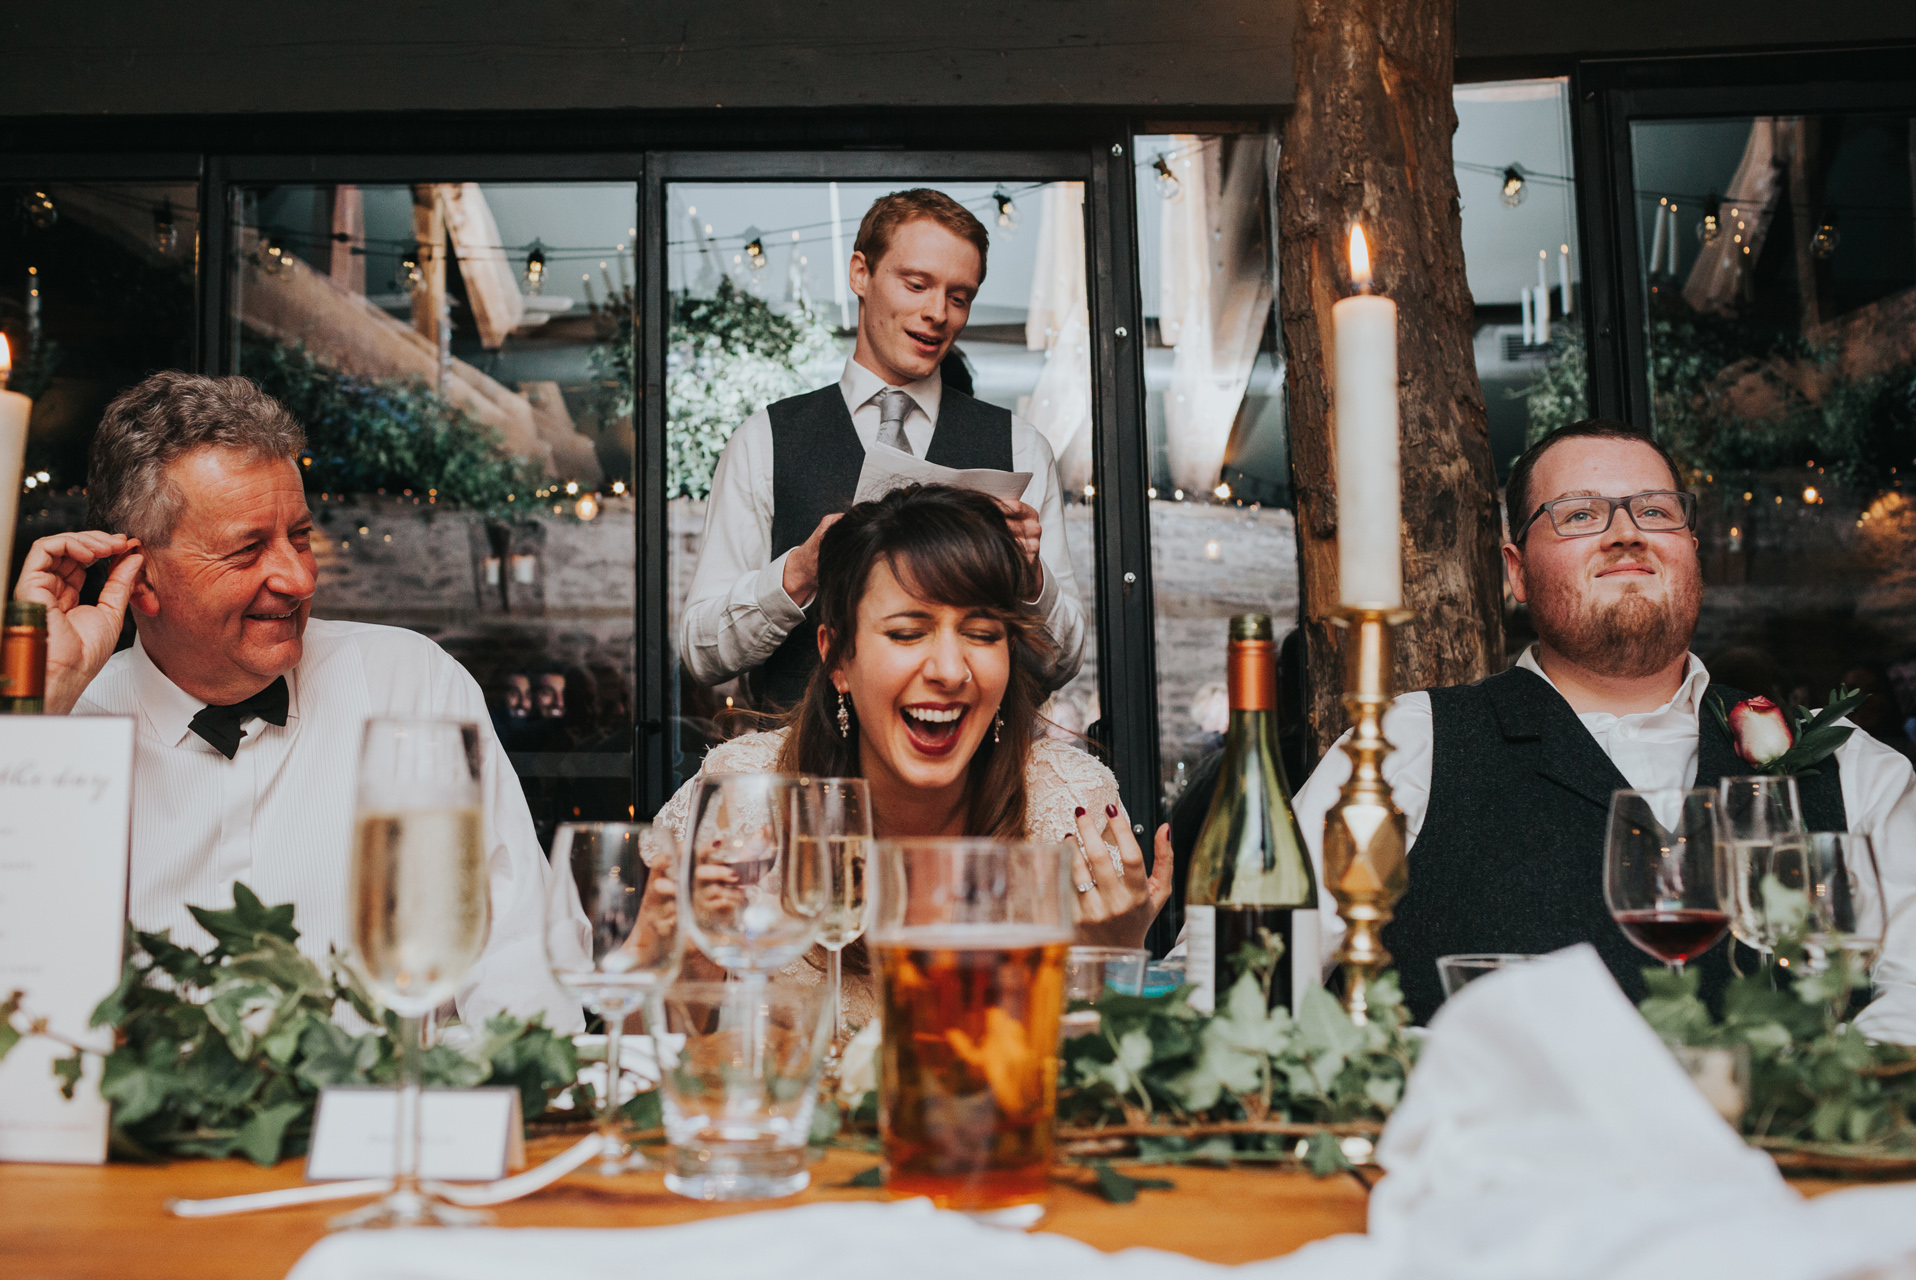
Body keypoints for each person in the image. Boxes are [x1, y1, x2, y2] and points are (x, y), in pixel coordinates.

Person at [1292, 419, 1916, 1035]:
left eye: (1654, 511)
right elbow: (1244, 978)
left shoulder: (1852, 765)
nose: (1626, 534)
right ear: (1516, 571)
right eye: (1580, 514)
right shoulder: (1407, 749)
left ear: (1692, 552)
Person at [14, 371, 584, 1031]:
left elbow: (524, 961)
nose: (298, 577)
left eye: (301, 536)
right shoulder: (59, 731)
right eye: (248, 549)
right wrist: (38, 711)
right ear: (137, 577)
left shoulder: (410, 687)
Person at [656, 483, 1171, 1023]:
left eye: (981, 633)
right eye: (906, 633)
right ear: (837, 658)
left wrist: (1114, 957)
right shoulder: (743, 795)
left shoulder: (1070, 803)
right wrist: (683, 960)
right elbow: (643, 1060)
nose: (950, 671)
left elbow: (1102, 1075)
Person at [679, 188, 1087, 710]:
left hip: (967, 780)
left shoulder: (1021, 447)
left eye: (959, 297)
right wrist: (799, 573)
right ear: (860, 274)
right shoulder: (763, 441)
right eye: (916, 284)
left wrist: (1031, 578)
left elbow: (1062, 662)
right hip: (806, 782)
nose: (937, 312)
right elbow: (701, 653)